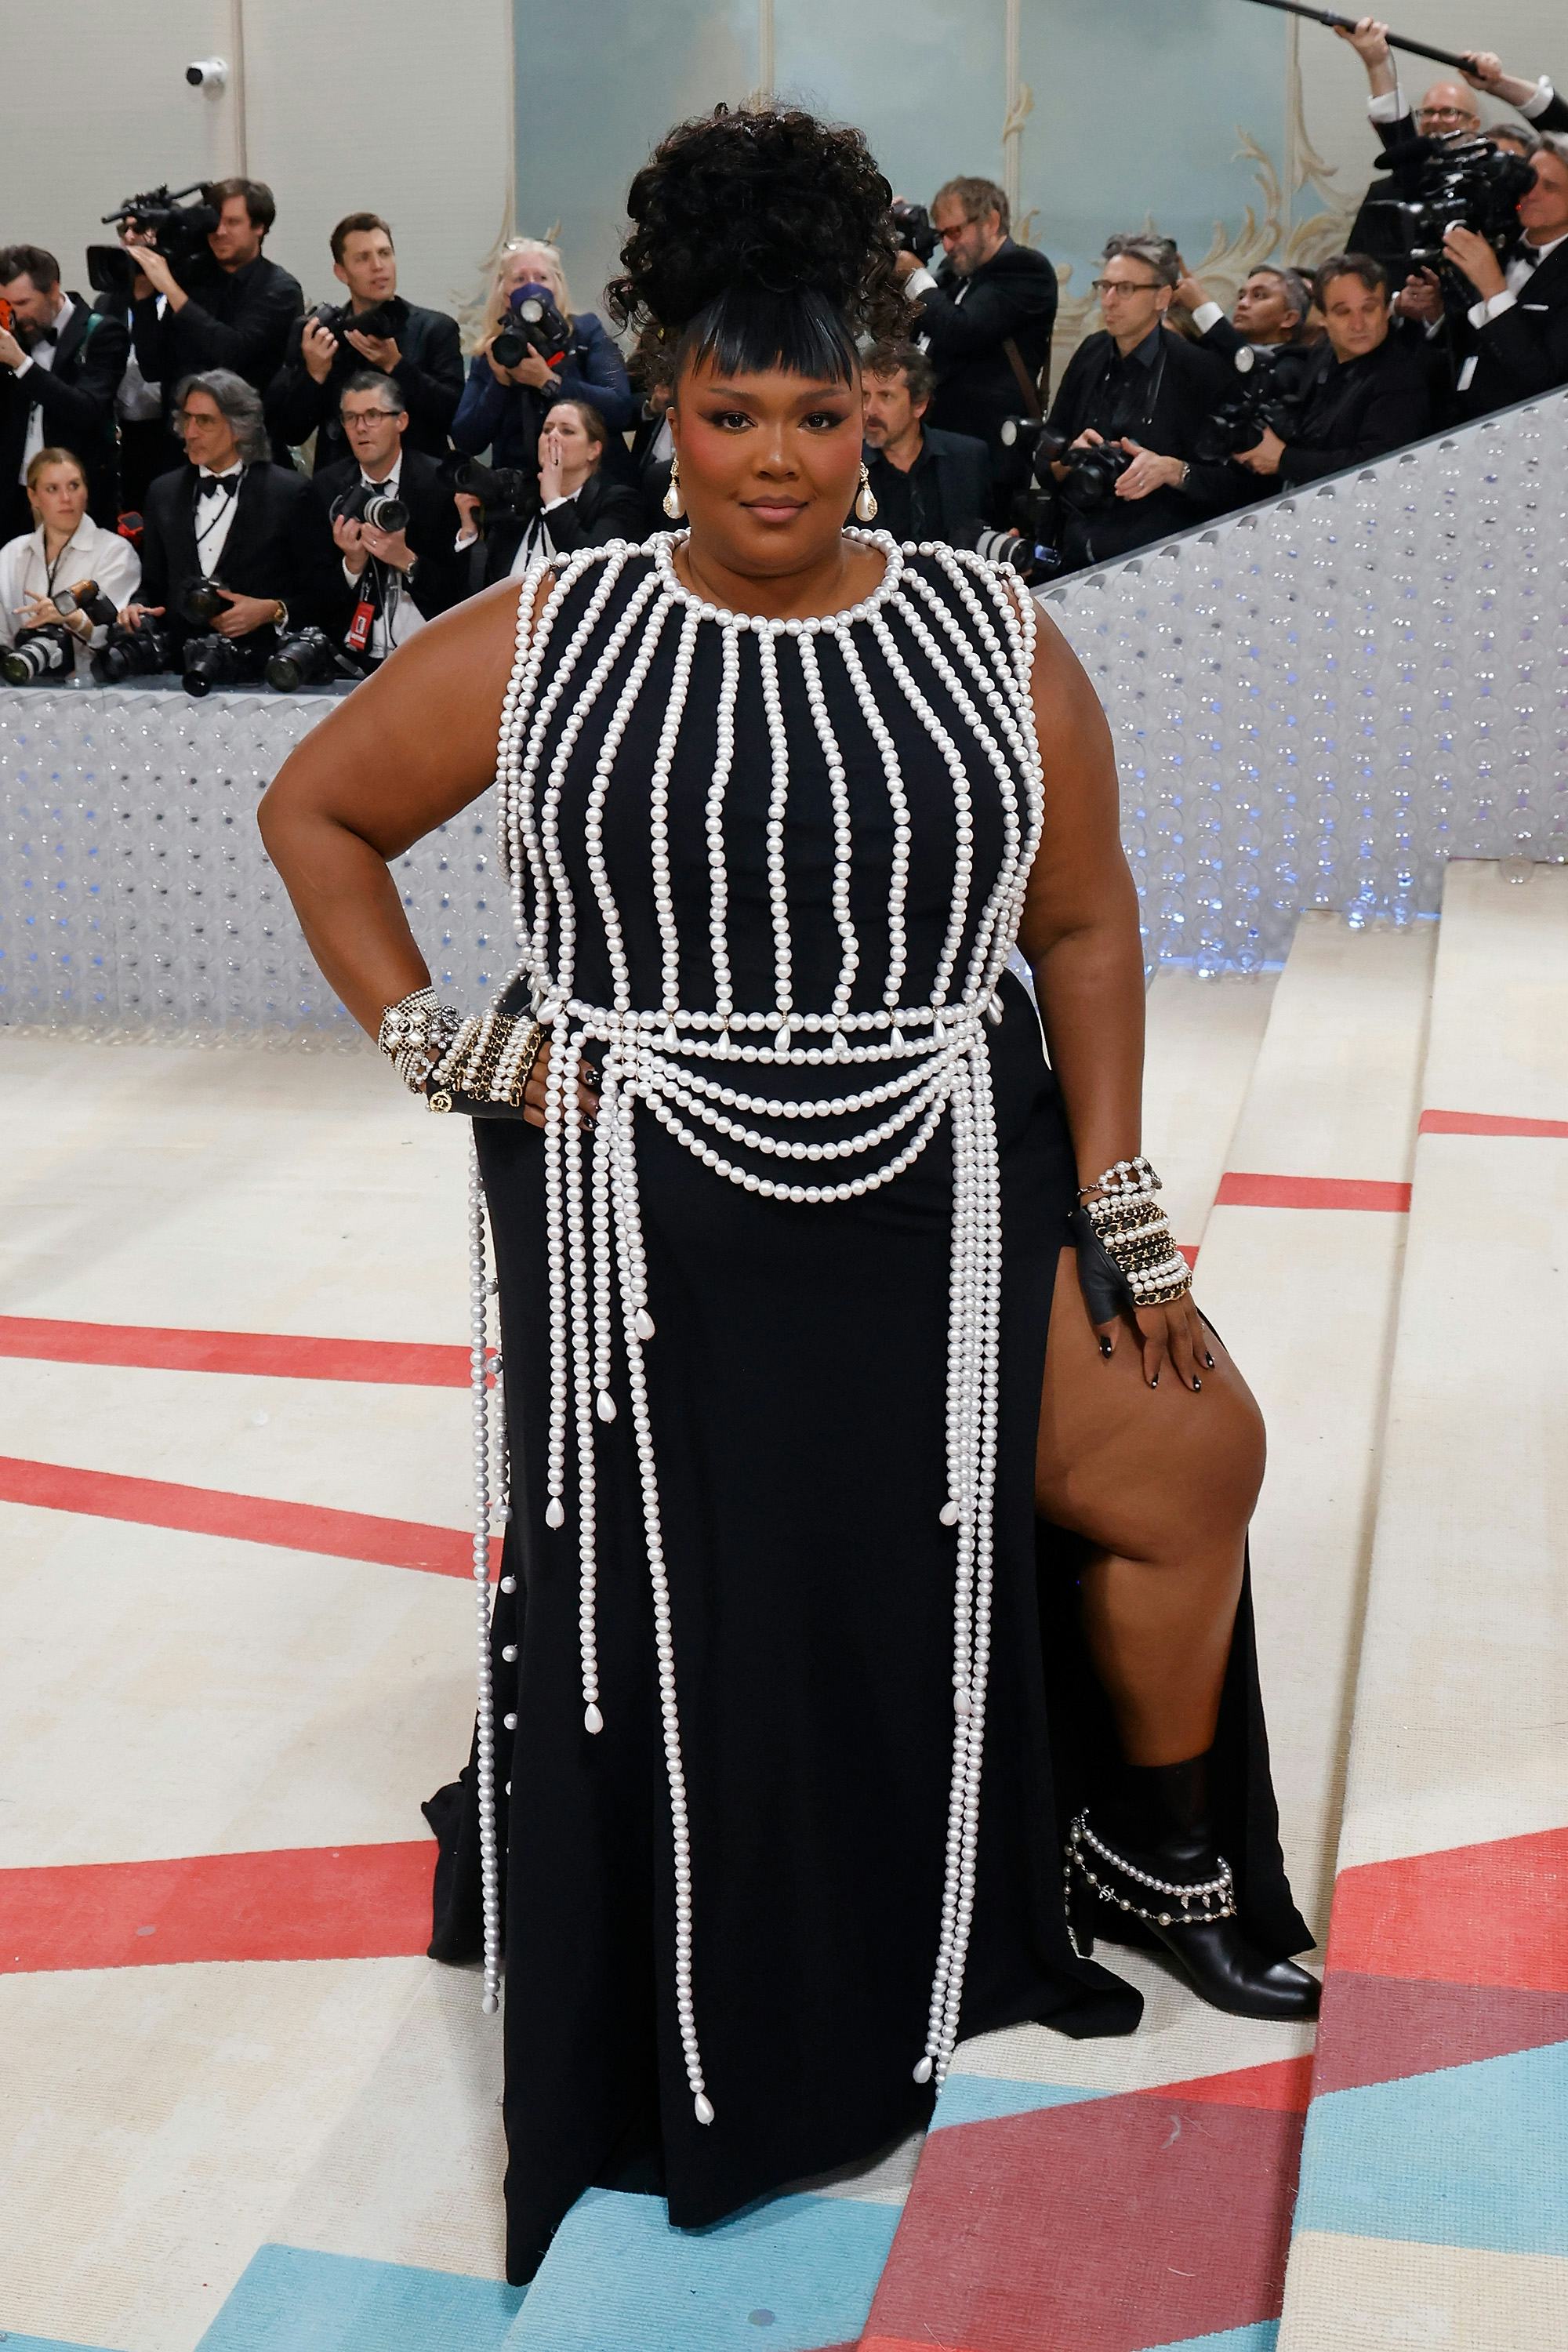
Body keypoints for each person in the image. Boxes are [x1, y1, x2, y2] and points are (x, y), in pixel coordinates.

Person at [258, 104, 1316, 2289]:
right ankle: (744, 1939)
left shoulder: (990, 635)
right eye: (730, 409)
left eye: (818, 412)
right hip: (652, 1209)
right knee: (721, 1610)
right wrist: (453, 1046)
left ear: (887, 414)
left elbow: (1090, 930)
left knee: (1189, 1449)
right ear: (665, 412)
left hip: (948, 1169)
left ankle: (1152, 1858)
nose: (773, 455)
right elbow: (317, 816)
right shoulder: (556, 634)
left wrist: (1118, 1196)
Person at [1039, 234, 1242, 572]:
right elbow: (1048, 451)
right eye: (1104, 287)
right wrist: (1067, 457)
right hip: (1076, 549)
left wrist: (1174, 470)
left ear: (1162, 297)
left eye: (1126, 289)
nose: (1109, 300)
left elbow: (1237, 483)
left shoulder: (1198, 369)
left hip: (1160, 558)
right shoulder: (1091, 351)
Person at [118, 369, 337, 663]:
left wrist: (271, 610)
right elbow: (154, 586)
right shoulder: (163, 492)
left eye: (205, 421)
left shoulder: (290, 493)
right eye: (187, 419)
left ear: (240, 428)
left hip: (266, 669)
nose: (191, 432)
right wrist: (138, 607)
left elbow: (325, 593)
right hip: (181, 668)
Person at [898, 175, 1058, 506]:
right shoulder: (953, 274)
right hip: (934, 447)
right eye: (942, 236)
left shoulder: (1026, 269)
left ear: (991, 221)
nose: (948, 245)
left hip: (986, 454)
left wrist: (914, 275)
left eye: (955, 232)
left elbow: (961, 330)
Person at [267, 212, 463, 471]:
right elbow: (291, 432)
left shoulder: (435, 329)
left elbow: (453, 418)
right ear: (341, 272)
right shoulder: (326, 338)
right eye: (363, 258)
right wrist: (314, 375)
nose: (378, 266)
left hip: (421, 485)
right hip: (339, 485)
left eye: (384, 253)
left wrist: (397, 365)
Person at [122, 178, 303, 444]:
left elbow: (233, 352)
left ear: (259, 227)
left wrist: (171, 290)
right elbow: (153, 367)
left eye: (232, 222)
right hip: (180, 441)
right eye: (214, 222)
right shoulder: (194, 278)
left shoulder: (280, 289)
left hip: (243, 443)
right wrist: (144, 299)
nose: (219, 232)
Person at [1232, 254, 1432, 487]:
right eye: (1343, 312)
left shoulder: (1400, 378)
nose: (1358, 324)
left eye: (1368, 309)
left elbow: (1379, 467)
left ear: (1386, 310)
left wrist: (1283, 459)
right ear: (1323, 318)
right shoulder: (1323, 352)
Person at [450, 237, 637, 482]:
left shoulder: (586, 332)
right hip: (522, 493)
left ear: (557, 285)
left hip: (597, 487)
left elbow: (620, 409)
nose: (532, 287)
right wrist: (500, 383)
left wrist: (549, 382)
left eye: (542, 278)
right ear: (504, 292)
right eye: (519, 279)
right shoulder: (493, 351)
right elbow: (466, 440)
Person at [312, 373, 466, 667]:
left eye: (373, 416)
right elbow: (315, 592)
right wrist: (351, 566)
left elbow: (461, 589)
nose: (360, 428)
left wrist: (407, 560)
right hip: (351, 658)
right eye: (351, 418)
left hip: (429, 653)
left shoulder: (439, 484)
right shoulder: (326, 488)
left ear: (401, 421)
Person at [0, 245, 129, 542]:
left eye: (22, 302)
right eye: (5, 305)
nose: (14, 315)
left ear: (53, 289)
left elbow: (85, 409)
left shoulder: (102, 332)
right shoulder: (14, 332)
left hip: (76, 498)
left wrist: (20, 362)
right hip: (15, 495)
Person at [454, 396, 645, 591]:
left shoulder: (620, 502)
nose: (552, 437)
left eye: (567, 431)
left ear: (593, 450)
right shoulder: (523, 499)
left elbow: (596, 574)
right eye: (546, 430)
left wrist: (554, 500)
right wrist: (470, 532)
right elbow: (480, 593)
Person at [1436, 134, 1568, 416]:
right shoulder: (1497, 242)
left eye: (1551, 187)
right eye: (1528, 181)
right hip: (1455, 422)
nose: (1531, 194)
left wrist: (1495, 290)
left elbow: (1547, 378)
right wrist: (1433, 312)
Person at [0, 445, 140, 677]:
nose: (66, 499)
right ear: (33, 496)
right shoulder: (12, 554)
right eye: (52, 489)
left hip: (95, 690)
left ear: (86, 491)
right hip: (20, 687)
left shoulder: (115, 551)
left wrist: (70, 617)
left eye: (74, 486)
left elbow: (113, 634)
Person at [860, 339, 990, 548]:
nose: (870, 410)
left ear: (919, 405)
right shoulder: (845, 465)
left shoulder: (968, 458)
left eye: (885, 396)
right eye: (865, 396)